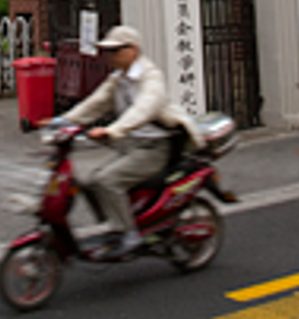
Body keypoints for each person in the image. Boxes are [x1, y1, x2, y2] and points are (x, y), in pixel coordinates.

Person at [45, 25, 202, 260]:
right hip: (131, 144)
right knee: (88, 178)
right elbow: (95, 103)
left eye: (116, 50)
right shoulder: (118, 79)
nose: (110, 56)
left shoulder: (150, 77)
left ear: (133, 50)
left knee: (107, 181)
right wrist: (61, 121)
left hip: (155, 147)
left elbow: (144, 109)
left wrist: (113, 130)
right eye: (108, 51)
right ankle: (120, 220)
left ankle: (129, 235)